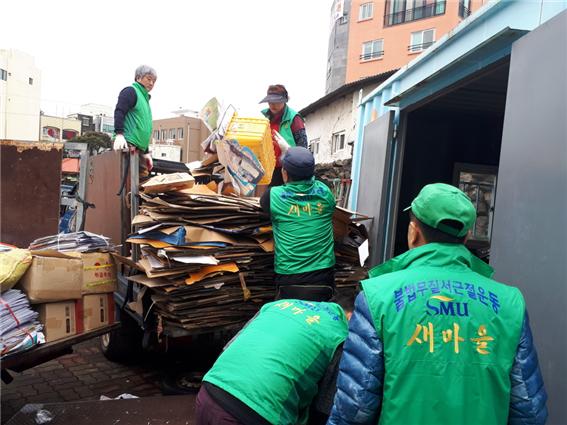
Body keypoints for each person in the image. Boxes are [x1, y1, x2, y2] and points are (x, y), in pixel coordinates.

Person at [328, 183, 548, 425]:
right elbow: (528, 409)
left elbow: (355, 407)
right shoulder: (509, 302)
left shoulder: (378, 296)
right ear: (465, 237)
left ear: (413, 232)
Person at [196, 295, 352, 425]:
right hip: (255, 413)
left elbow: (228, 347)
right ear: (351, 316)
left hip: (209, 392)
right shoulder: (340, 334)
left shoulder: (278, 304)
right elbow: (324, 406)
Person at [260, 147, 336, 301]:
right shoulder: (326, 193)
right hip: (324, 276)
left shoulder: (272, 196)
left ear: (285, 174)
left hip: (289, 278)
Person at [260, 84, 308, 186]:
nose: (273, 105)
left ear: (285, 100)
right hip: (266, 168)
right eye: (270, 101)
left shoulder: (294, 119)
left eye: (277, 102)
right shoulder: (263, 117)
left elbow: (303, 148)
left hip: (287, 170)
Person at [113, 65, 157, 174]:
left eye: (154, 81)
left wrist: (146, 152)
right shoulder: (131, 91)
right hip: (127, 144)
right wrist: (119, 134)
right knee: (127, 181)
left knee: (142, 181)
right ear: (138, 78)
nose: (151, 83)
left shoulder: (145, 100)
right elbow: (119, 111)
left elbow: (143, 127)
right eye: (149, 79)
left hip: (140, 149)